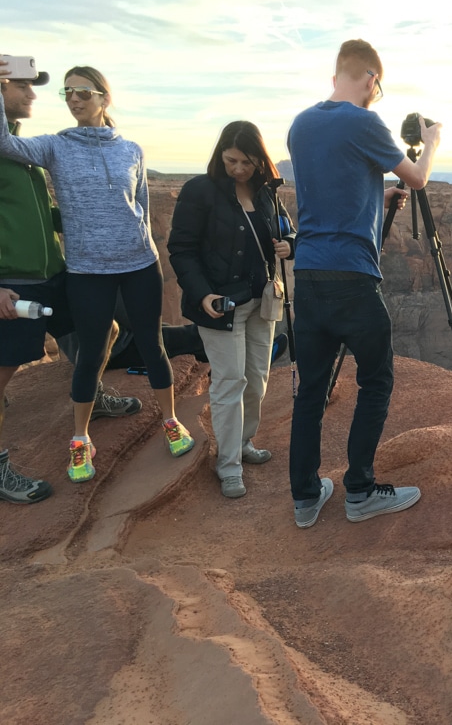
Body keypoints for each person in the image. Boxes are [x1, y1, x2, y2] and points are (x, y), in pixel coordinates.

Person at [0, 65, 195, 485]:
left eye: (83, 92)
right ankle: (80, 438)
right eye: (67, 93)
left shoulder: (132, 151)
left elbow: (140, 205)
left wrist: (142, 247)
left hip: (139, 265)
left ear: (104, 99)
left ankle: (171, 421)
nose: (73, 99)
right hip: (88, 271)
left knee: (152, 345)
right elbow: (4, 142)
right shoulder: (55, 147)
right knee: (90, 353)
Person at [286, 39, 442, 529]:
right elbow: (417, 178)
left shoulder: (302, 123)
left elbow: (338, 183)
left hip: (308, 275)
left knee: (311, 390)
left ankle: (306, 497)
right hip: (352, 278)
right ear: (371, 79)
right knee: (375, 381)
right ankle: (360, 490)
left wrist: (379, 193)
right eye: (379, 84)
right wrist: (432, 140)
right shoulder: (364, 121)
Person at [0, 59, 140, 505]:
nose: (33, 95)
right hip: (14, 281)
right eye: (21, 86)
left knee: (103, 331)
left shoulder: (22, 149)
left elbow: (36, 218)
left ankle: (92, 396)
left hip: (52, 272)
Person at [168, 121, 296, 499]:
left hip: (263, 300)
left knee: (256, 379)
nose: (239, 169)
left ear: (260, 161)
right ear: (219, 154)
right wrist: (203, 293)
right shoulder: (200, 191)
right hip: (220, 306)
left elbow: (287, 230)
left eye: (247, 162)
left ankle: (242, 443)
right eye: (231, 160)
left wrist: (290, 242)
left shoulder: (268, 192)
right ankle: (228, 466)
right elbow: (182, 249)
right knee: (229, 383)